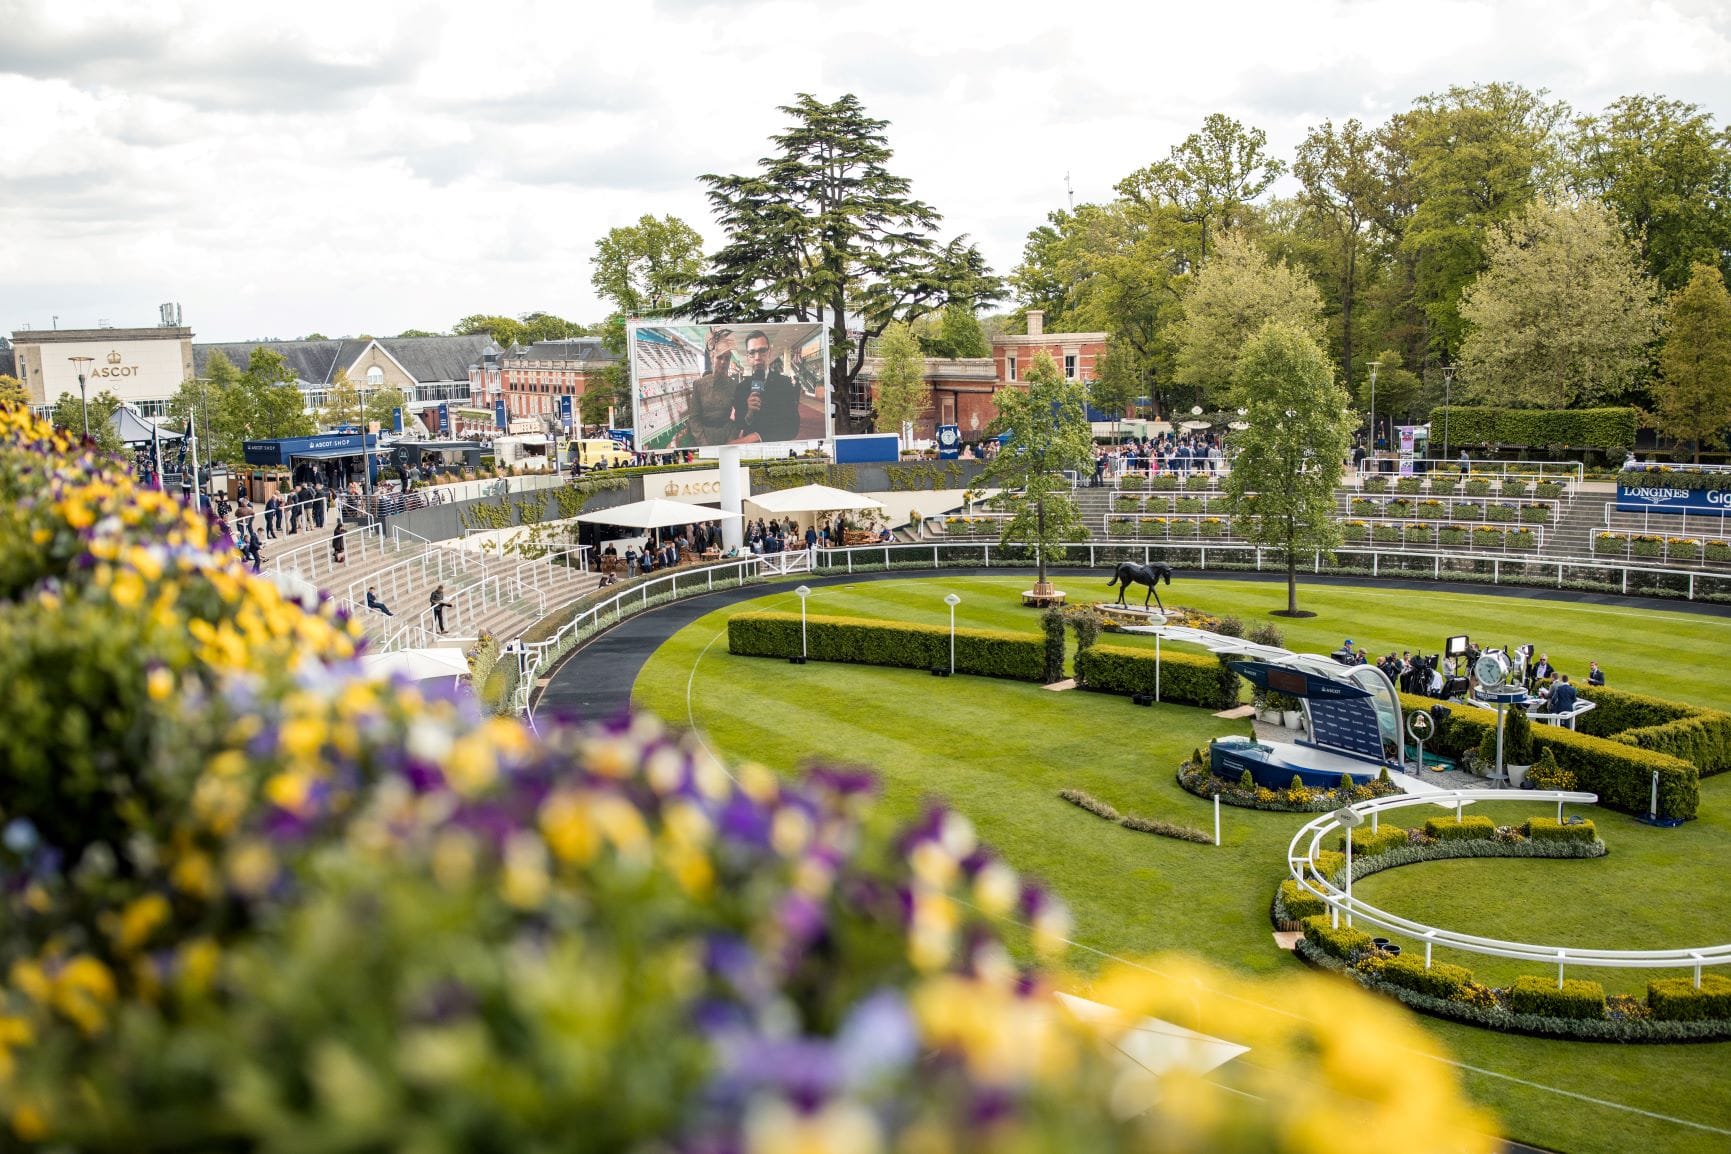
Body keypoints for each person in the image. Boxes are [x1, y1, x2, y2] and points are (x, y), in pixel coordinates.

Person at [731, 331, 801, 443]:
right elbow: (739, 424)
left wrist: (756, 436)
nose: (757, 357)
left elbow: (792, 427)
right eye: (752, 353)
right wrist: (749, 413)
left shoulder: (784, 383)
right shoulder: (741, 388)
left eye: (762, 351)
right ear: (748, 357)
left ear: (769, 353)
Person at [686, 328, 746, 445]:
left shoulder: (734, 385)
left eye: (727, 358)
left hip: (727, 436)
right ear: (713, 358)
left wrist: (732, 437)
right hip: (704, 437)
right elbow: (694, 419)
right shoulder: (699, 385)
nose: (723, 362)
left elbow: (739, 415)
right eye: (719, 357)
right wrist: (703, 442)